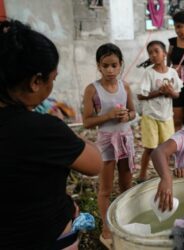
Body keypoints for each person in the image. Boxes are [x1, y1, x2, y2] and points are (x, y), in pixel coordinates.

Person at [0, 19, 102, 249]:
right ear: (36, 81)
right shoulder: (42, 129)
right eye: (52, 79)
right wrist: (60, 128)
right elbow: (95, 164)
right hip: (46, 236)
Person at [82, 43, 136, 249]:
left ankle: (125, 222)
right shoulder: (92, 90)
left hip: (125, 138)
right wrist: (108, 115)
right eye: (106, 66)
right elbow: (87, 121)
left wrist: (126, 115)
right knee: (105, 189)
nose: (111, 70)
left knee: (125, 185)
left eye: (114, 65)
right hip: (105, 141)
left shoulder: (126, 86)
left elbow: (133, 112)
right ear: (99, 66)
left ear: (121, 64)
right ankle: (106, 228)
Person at [136, 40, 182, 183]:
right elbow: (140, 95)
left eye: (156, 51)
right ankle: (142, 175)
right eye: (150, 53)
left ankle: (164, 174)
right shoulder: (149, 73)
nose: (153, 55)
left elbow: (177, 94)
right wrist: (159, 92)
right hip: (150, 116)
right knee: (150, 148)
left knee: (167, 147)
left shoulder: (172, 72)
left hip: (166, 116)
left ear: (165, 54)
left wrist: (170, 92)